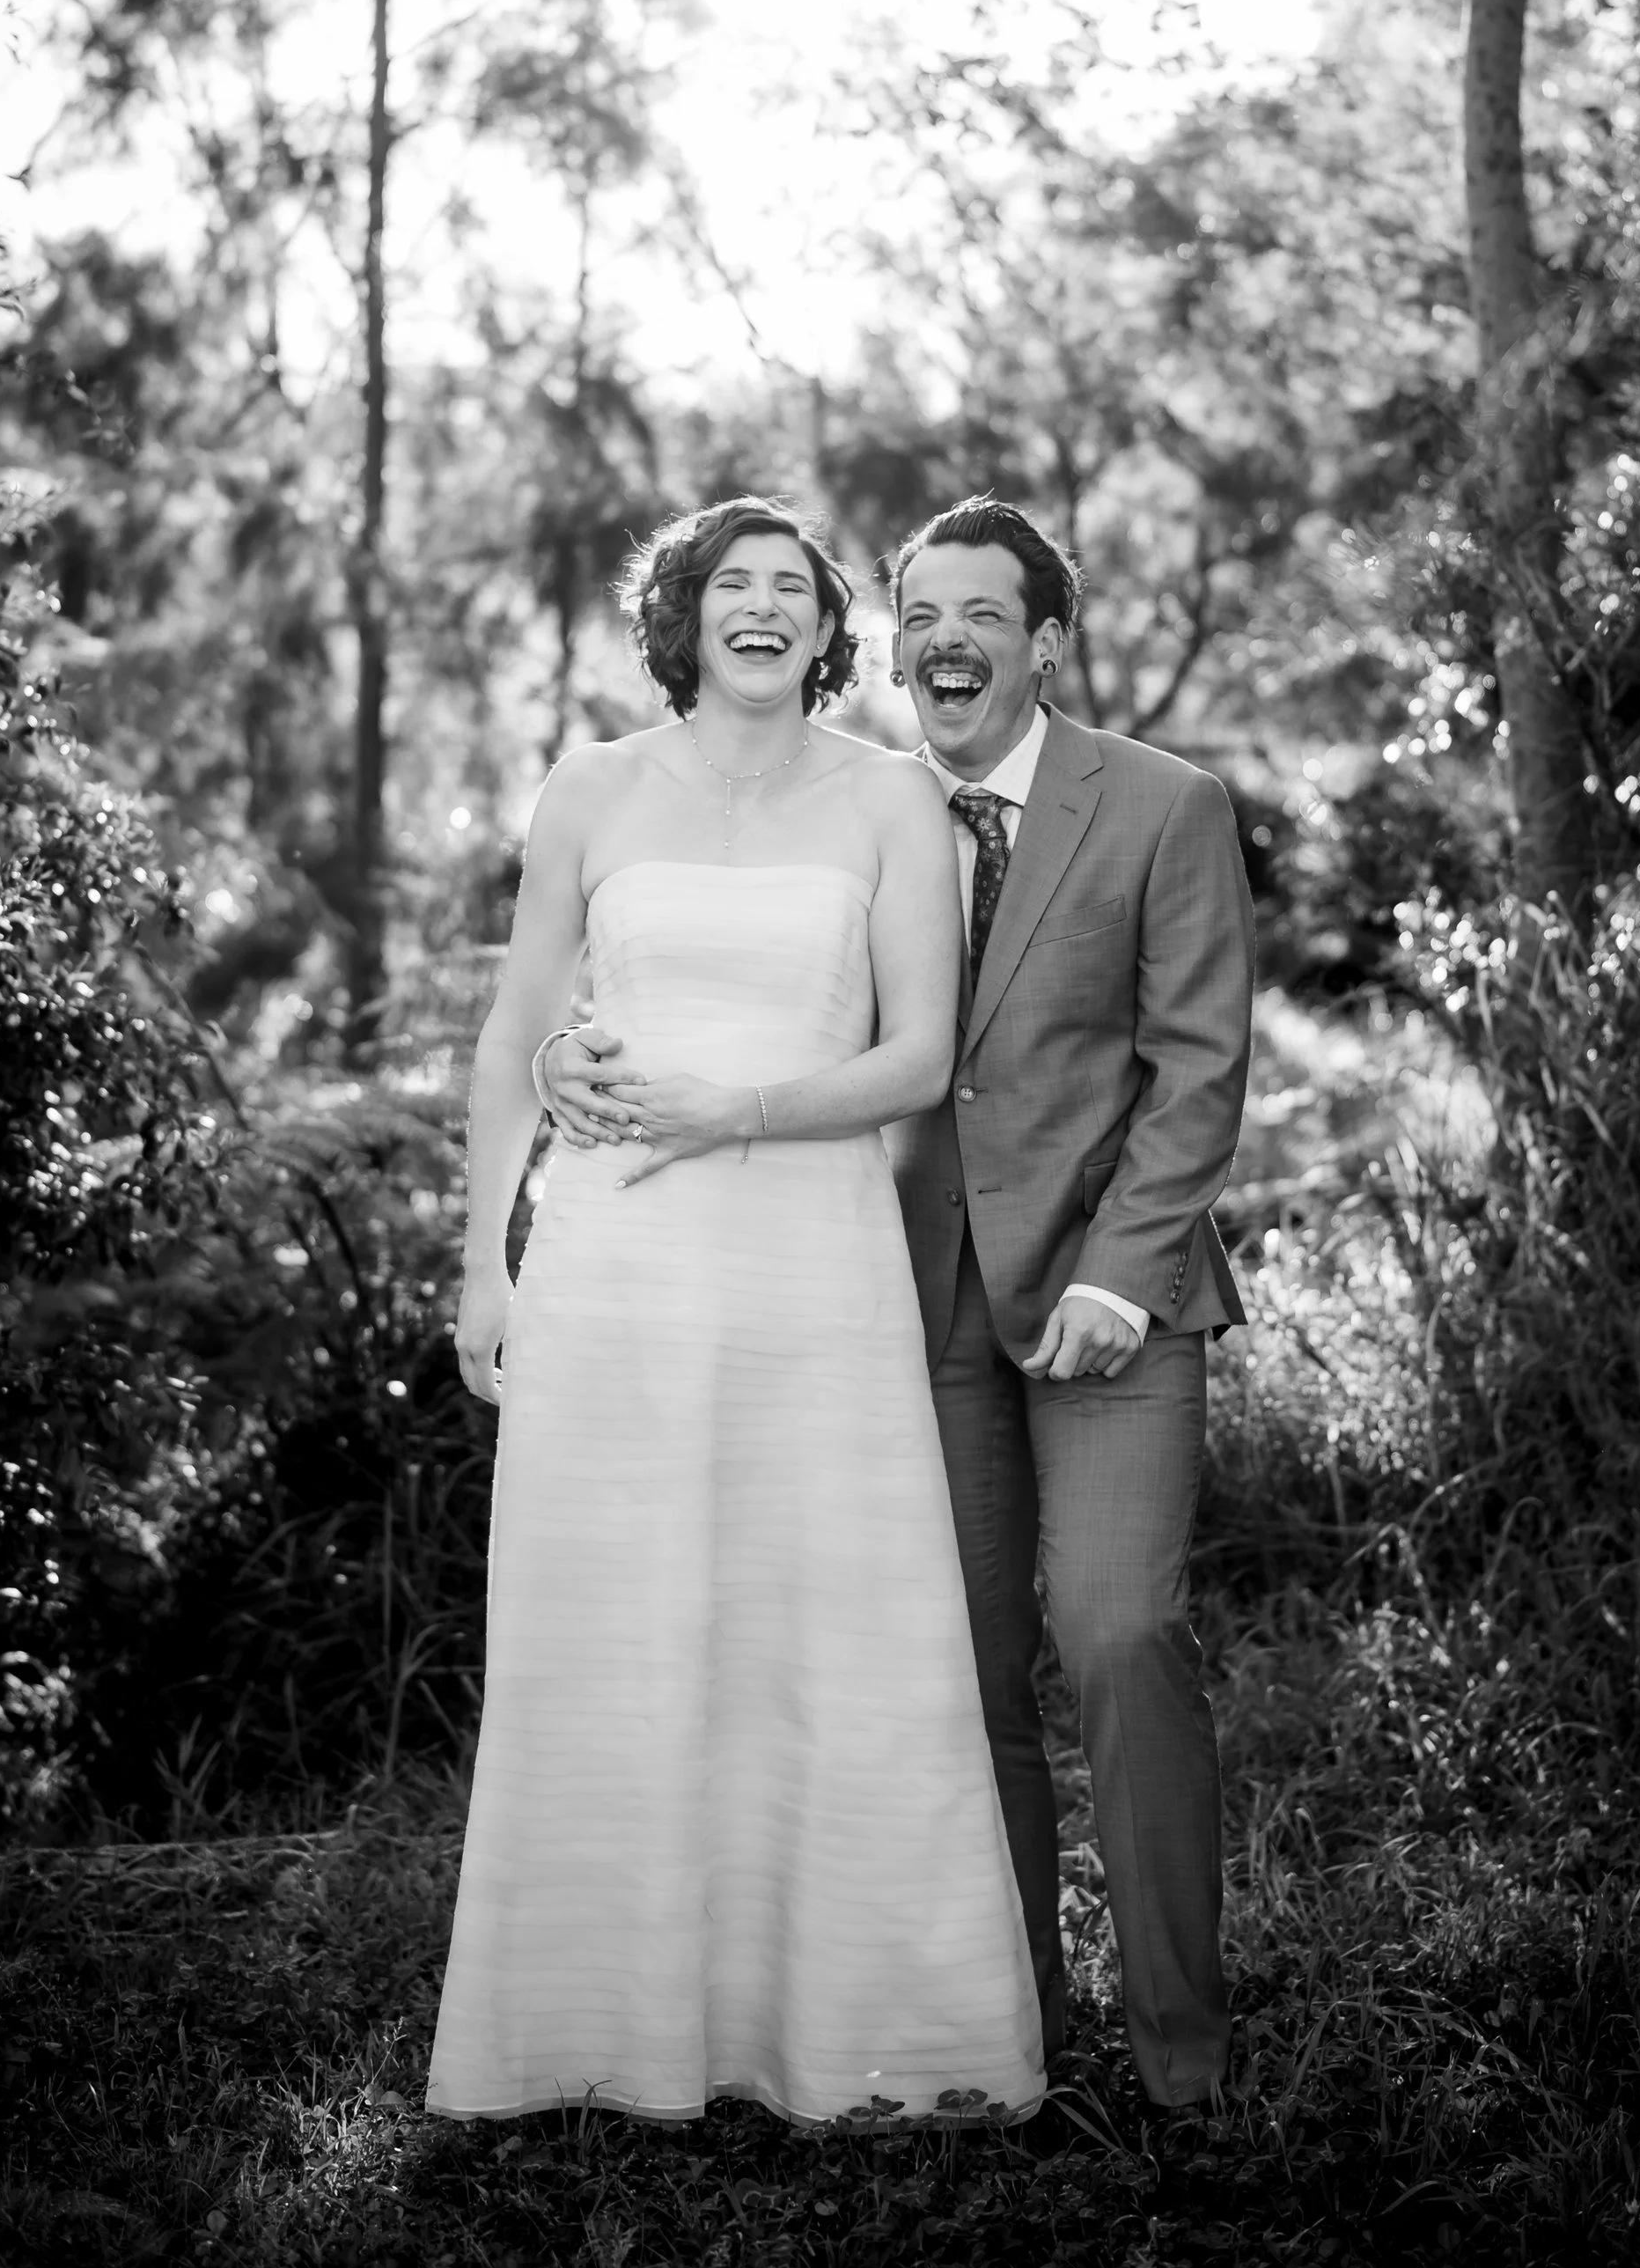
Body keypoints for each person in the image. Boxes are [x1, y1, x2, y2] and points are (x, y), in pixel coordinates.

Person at [550, 496, 1255, 2115]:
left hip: (1109, 1300)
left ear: (1046, 641)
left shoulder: (1164, 804)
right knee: (964, 1671)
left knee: (1119, 1632)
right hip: (905, 1303)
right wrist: (558, 1057)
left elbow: (1200, 1069)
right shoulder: (849, 805)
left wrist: (1119, 1270)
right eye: (919, 611)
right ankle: (1019, 2035)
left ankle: (1184, 2057)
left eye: (982, 613)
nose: (946, 638)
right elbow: (723, 997)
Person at [428, 497, 1045, 2129]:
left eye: (794, 588)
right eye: (732, 583)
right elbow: (517, 1032)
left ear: (829, 630)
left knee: (829, 1628)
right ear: (685, 613)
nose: (761, 607)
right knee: (611, 1625)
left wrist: (736, 1110)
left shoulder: (893, 797)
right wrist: (487, 1260)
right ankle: (597, 2033)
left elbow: (920, 1055)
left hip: (814, 1272)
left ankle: (857, 2036)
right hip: (615, 1269)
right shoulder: (592, 786)